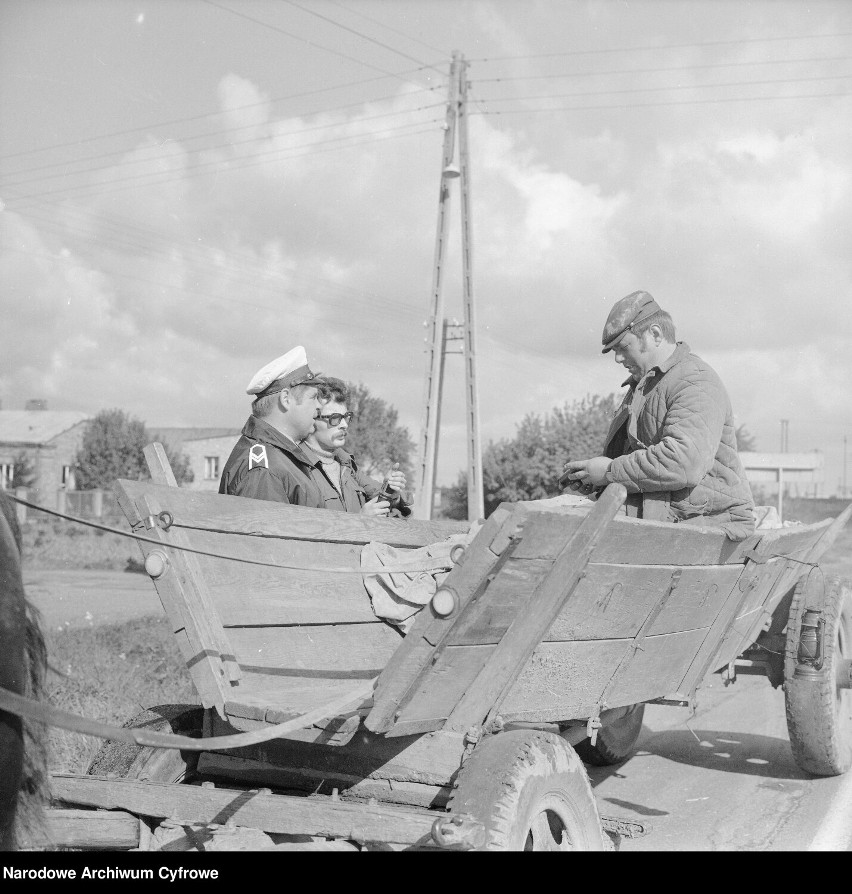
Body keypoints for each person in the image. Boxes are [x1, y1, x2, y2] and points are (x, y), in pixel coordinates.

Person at [562, 290, 755, 540]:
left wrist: (610, 471)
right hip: (666, 520)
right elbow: (637, 466)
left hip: (709, 526)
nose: (618, 358)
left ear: (655, 334)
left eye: (623, 347)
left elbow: (684, 463)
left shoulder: (695, 380)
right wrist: (595, 478)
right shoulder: (644, 386)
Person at [218, 346, 328, 505]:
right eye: (313, 397)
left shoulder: (279, 459)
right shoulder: (264, 470)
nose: (319, 406)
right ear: (286, 399)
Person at [301, 377, 412, 518]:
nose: (344, 425)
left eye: (346, 416)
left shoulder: (347, 465)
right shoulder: (298, 466)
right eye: (335, 418)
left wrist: (391, 490)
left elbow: (380, 496)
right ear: (313, 418)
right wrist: (360, 519)